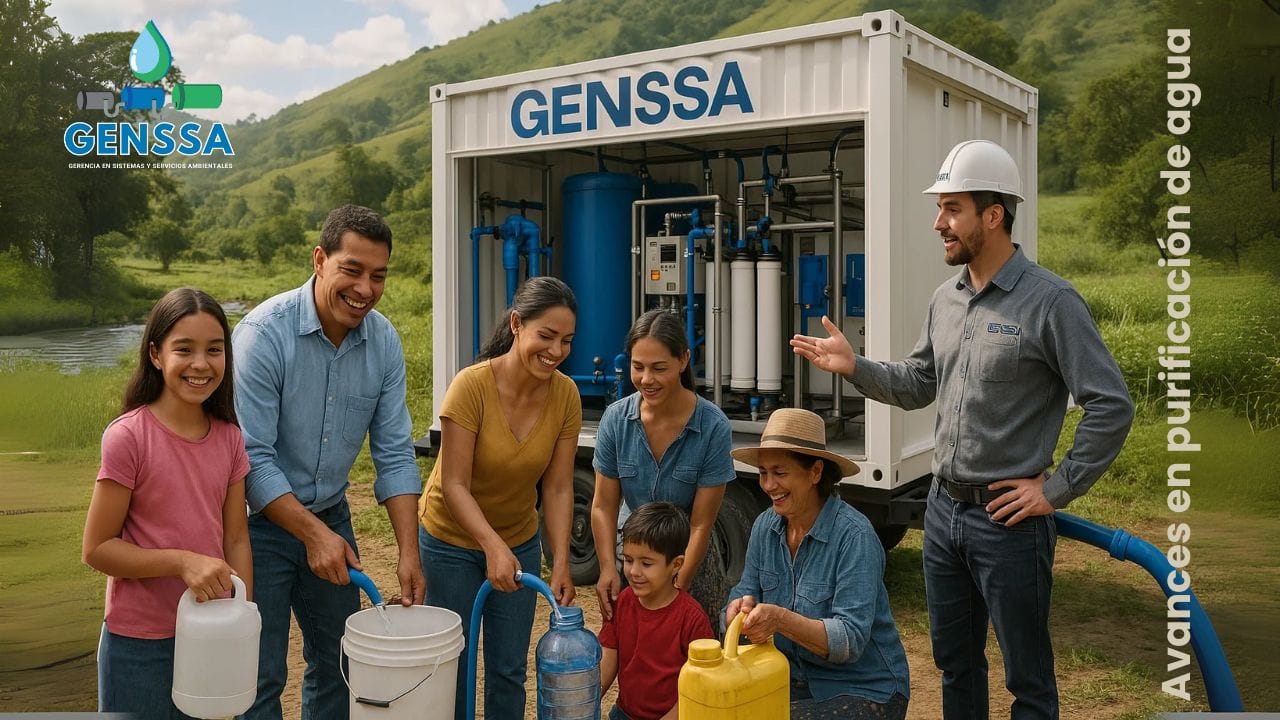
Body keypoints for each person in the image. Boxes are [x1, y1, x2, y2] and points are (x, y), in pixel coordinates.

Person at [791, 139, 1135, 719]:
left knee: (1027, 679)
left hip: (1009, 522)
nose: (938, 223)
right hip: (943, 512)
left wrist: (1054, 490)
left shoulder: (1052, 303)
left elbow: (1111, 405)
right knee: (955, 664)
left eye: (952, 209)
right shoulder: (945, 300)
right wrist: (855, 367)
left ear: (993, 216)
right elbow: (920, 381)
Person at [232, 205, 425, 720]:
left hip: (332, 513)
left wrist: (410, 551)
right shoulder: (262, 335)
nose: (365, 288)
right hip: (257, 527)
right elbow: (251, 458)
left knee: (340, 663)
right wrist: (313, 535)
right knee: (258, 673)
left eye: (378, 276)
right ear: (320, 260)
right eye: (352, 270)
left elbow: (393, 451)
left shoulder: (383, 342)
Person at [83, 288, 252, 720]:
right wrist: (182, 561)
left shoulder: (231, 438)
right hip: (138, 645)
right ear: (156, 354)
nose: (201, 364)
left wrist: (242, 617)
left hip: (211, 635)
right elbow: (98, 549)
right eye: (185, 349)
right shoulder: (128, 437)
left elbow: (235, 538)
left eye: (214, 350)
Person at [418, 275, 581, 720]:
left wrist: (561, 560)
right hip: (449, 540)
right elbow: (453, 484)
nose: (556, 351)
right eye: (545, 336)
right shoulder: (471, 386)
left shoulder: (566, 395)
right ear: (516, 324)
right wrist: (492, 546)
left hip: (519, 539)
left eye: (566, 340)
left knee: (509, 670)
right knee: (454, 663)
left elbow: (558, 486)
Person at [724, 408, 910, 719]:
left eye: (780, 473)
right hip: (790, 681)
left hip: (865, 688)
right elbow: (744, 593)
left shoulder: (855, 536)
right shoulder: (764, 527)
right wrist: (735, 612)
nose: (768, 485)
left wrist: (780, 619)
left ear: (815, 472)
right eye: (763, 473)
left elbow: (849, 641)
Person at [591, 309, 736, 630]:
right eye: (637, 367)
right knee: (636, 653)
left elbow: (701, 524)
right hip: (634, 560)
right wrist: (608, 569)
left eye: (659, 369)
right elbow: (603, 506)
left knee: (696, 657)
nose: (646, 380)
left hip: (690, 562)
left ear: (683, 360)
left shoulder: (712, 426)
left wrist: (676, 589)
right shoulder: (616, 420)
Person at [599, 502, 715, 720]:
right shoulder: (623, 601)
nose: (634, 571)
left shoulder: (692, 619)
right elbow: (608, 656)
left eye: (646, 563)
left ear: (676, 564)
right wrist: (583, 701)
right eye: (628, 560)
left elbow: (700, 688)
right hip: (623, 713)